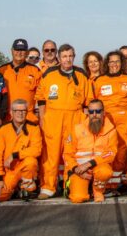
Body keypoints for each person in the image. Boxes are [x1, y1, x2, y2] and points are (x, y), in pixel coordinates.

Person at [35, 43, 93, 199]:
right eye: (64, 56)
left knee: (72, 153)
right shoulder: (49, 74)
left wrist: (85, 123)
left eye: (70, 56)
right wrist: (42, 118)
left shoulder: (81, 75)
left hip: (75, 117)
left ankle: (69, 184)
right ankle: (48, 187)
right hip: (53, 117)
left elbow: (88, 102)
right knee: (51, 154)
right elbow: (41, 99)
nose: (67, 59)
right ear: (59, 58)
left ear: (74, 57)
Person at [93, 50, 127, 191]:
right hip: (106, 116)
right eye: (111, 61)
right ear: (107, 63)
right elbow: (93, 101)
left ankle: (114, 183)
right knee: (106, 147)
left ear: (122, 63)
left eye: (117, 61)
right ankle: (103, 179)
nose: (114, 64)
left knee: (122, 149)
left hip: (125, 115)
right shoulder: (99, 80)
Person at [63, 99, 118, 203]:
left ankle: (98, 191)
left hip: (98, 168)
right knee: (78, 198)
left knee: (105, 172)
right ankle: (80, 187)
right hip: (79, 170)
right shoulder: (77, 129)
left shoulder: (111, 131)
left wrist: (89, 164)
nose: (94, 114)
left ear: (103, 112)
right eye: (91, 111)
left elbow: (111, 154)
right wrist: (76, 169)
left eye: (98, 111)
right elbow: (67, 154)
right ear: (87, 112)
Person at [0, 99, 43, 202]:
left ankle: (26, 188)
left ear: (27, 112)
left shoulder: (34, 128)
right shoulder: (2, 129)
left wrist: (15, 155)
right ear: (11, 113)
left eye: (23, 111)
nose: (20, 113)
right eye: (17, 111)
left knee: (31, 161)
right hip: (8, 171)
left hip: (23, 167)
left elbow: (37, 150)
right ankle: (13, 190)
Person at [0, 39, 43, 123]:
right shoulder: (1, 71)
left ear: (26, 52)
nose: (19, 53)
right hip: (7, 119)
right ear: (12, 51)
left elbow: (41, 96)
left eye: (22, 50)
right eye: (17, 50)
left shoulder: (35, 71)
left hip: (29, 119)